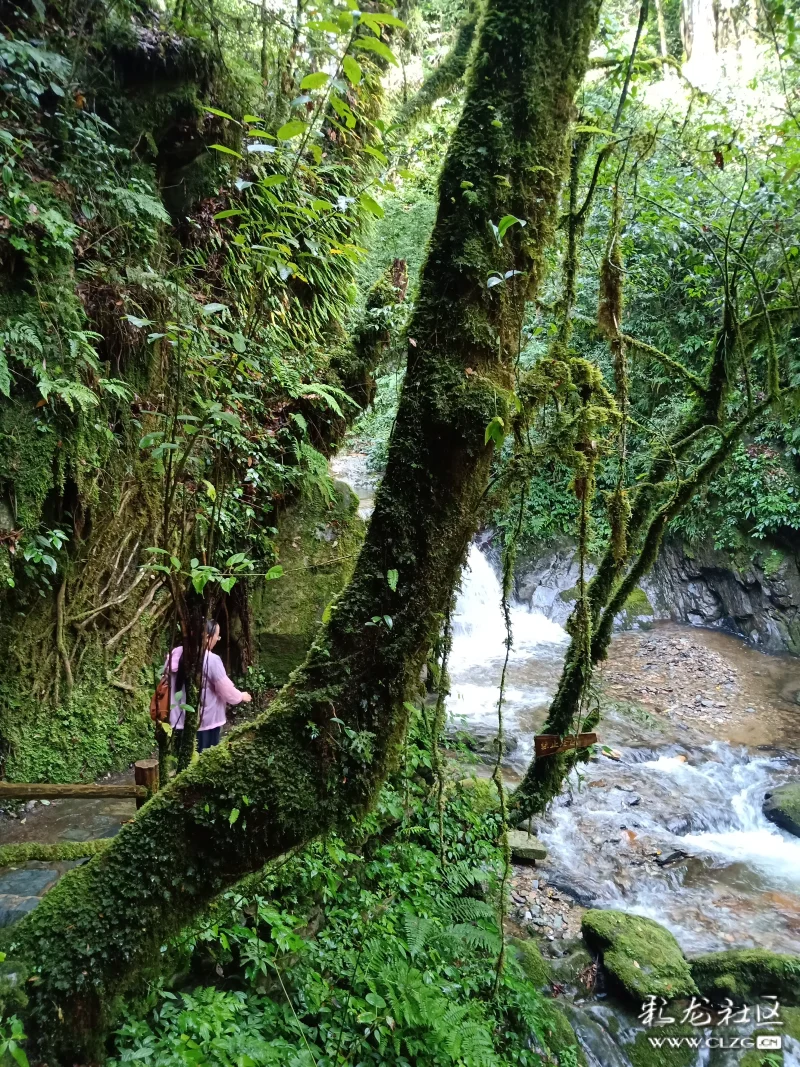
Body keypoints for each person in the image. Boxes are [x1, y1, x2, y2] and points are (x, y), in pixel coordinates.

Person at [164, 620, 252, 754]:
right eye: (217, 635)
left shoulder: (176, 652)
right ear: (207, 636)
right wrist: (241, 696)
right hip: (204, 723)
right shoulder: (211, 659)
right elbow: (225, 690)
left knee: (181, 758)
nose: (217, 639)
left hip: (177, 720)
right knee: (203, 757)